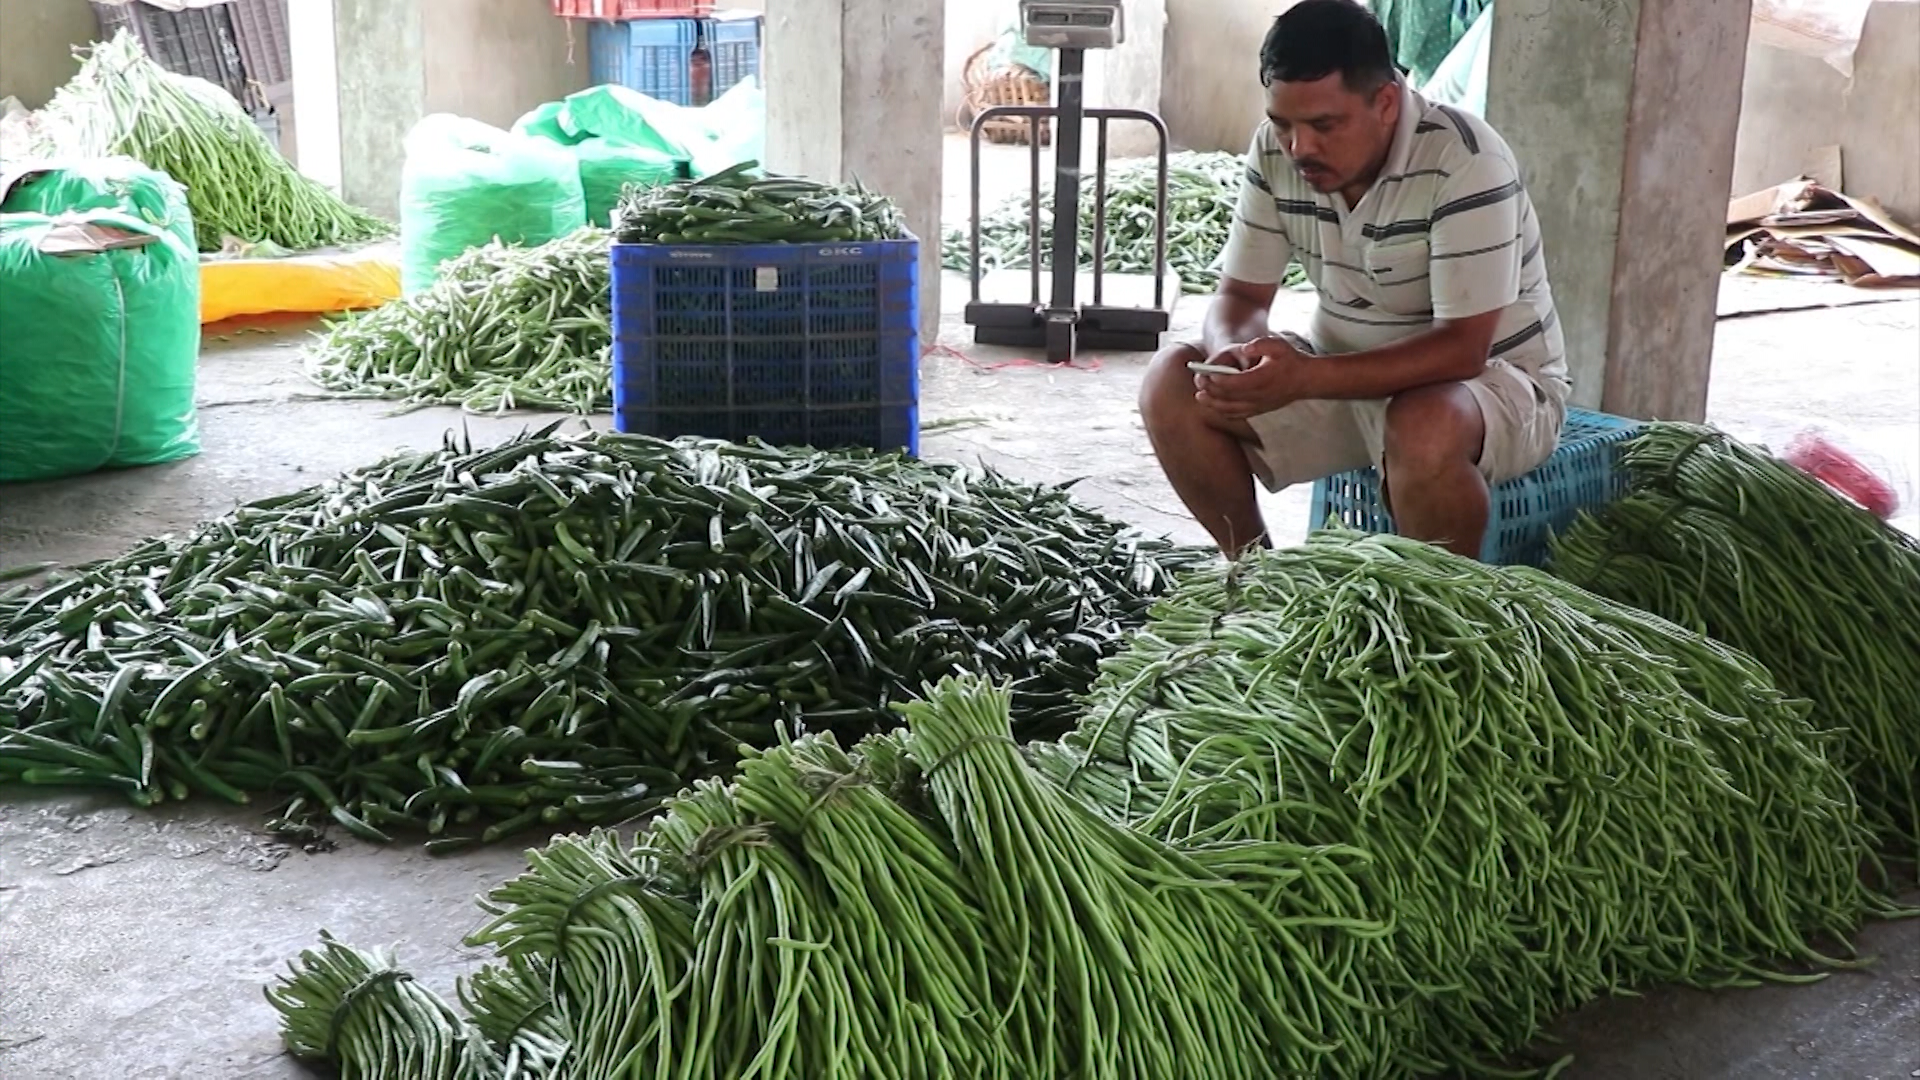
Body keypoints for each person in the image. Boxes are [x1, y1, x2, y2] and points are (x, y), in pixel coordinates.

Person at [1139, 0, 1569, 558]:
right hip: (1343, 380)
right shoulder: (1274, 153)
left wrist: (1305, 378)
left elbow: (1462, 350)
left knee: (1425, 426)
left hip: (1490, 387)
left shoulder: (1465, 160)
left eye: (1325, 125)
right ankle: (1254, 575)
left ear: (1386, 102)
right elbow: (1241, 297)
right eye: (1283, 123)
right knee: (1171, 382)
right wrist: (1234, 358)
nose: (1300, 147)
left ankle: (1434, 611)